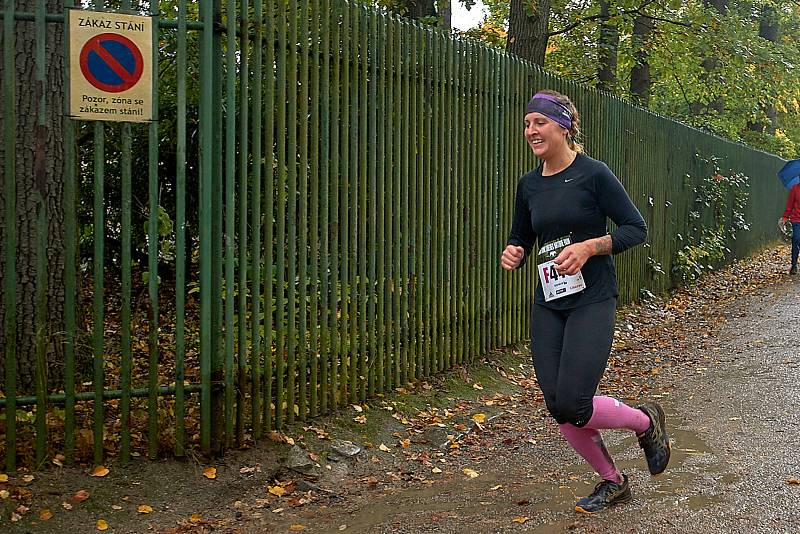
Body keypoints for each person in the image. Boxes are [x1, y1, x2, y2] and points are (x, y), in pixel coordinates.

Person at [499, 90, 671, 514]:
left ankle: (646, 421)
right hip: (549, 302)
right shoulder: (529, 184)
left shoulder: (594, 175)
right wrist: (514, 250)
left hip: (592, 299)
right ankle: (614, 482)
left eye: (539, 122)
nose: (530, 131)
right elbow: (523, 233)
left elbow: (636, 228)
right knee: (559, 406)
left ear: (564, 126)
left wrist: (592, 246)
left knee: (575, 402)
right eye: (526, 124)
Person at [779, 182, 800, 275]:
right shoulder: (795, 188)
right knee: (796, 239)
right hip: (796, 220)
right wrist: (785, 217)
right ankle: (794, 265)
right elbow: (789, 205)